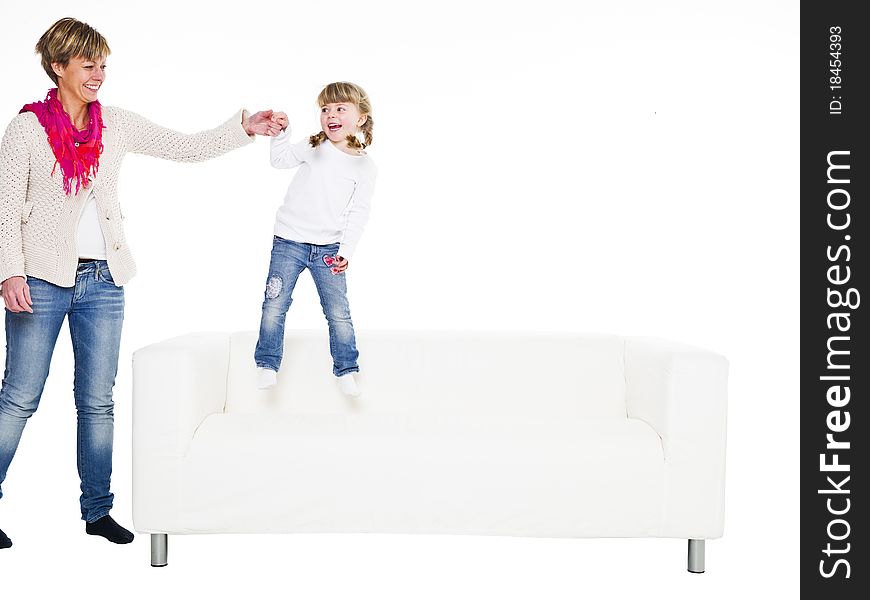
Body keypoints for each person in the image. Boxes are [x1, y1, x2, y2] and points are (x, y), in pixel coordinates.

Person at [0, 17, 281, 550]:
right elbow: (5, 205)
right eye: (89, 66)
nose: (99, 75)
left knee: (97, 401)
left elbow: (185, 147)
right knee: (19, 397)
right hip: (39, 279)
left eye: (104, 65)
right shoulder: (27, 129)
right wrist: (8, 270)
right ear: (58, 67)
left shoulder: (116, 125)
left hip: (104, 281)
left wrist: (243, 127)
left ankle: (97, 511)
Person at [254, 82, 377, 396]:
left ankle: (346, 368)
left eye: (340, 109)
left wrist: (346, 250)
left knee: (338, 311)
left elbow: (359, 212)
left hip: (329, 250)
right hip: (289, 241)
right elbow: (279, 161)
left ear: (360, 118)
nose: (330, 115)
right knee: (274, 303)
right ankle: (267, 362)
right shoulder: (314, 145)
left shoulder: (364, 166)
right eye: (325, 109)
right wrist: (282, 133)